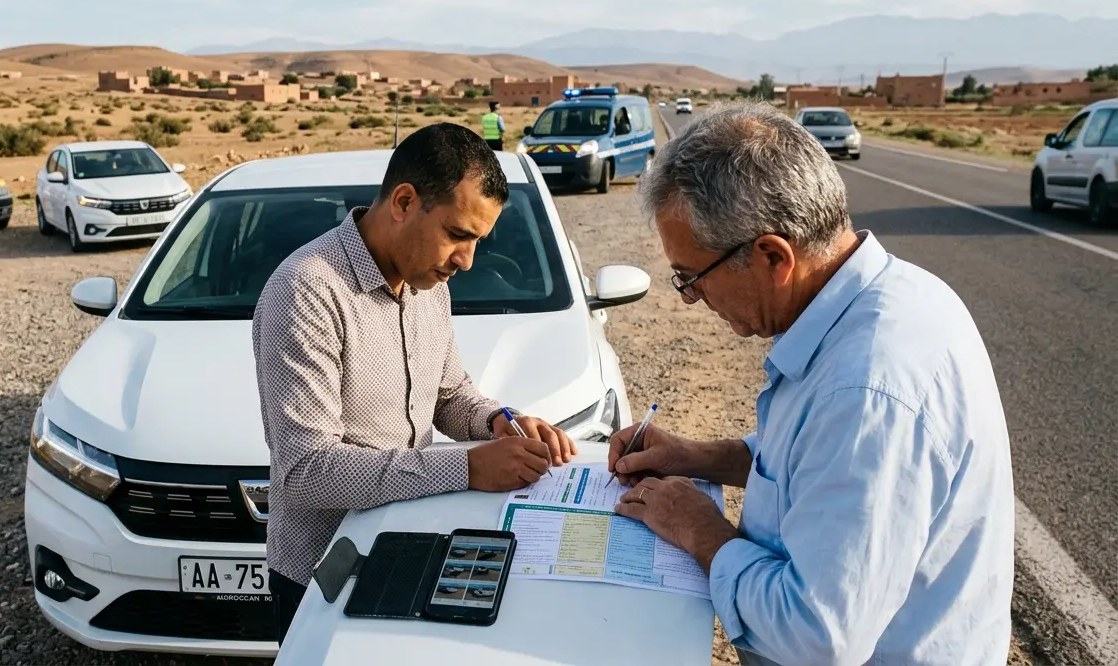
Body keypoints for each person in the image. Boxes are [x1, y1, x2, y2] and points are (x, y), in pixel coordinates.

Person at [608, 102, 1014, 665]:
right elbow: (812, 466)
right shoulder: (885, 298)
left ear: (772, 256)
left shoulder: (867, 389)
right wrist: (696, 457)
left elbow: (819, 635)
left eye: (691, 278)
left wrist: (701, 530)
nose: (690, 299)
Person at [253, 122, 577, 643]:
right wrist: (467, 466)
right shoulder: (307, 291)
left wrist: (499, 421)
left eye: (478, 242)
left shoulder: (427, 281)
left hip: (412, 548)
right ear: (404, 201)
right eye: (459, 234)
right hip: (326, 575)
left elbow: (447, 393)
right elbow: (306, 472)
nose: (466, 262)